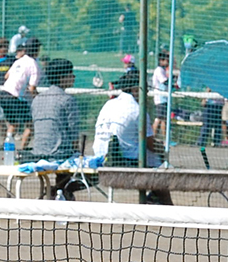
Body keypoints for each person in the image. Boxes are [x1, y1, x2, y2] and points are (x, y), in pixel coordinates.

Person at [92, 69, 172, 205]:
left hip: (99, 156)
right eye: (145, 89)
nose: (147, 93)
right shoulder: (137, 110)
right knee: (160, 166)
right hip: (121, 160)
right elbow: (150, 144)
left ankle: (155, 198)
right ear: (135, 89)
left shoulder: (109, 104)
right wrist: (163, 149)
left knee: (153, 159)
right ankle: (167, 205)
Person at [27, 58, 84, 199]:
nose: (74, 77)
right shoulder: (67, 100)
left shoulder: (37, 99)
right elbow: (73, 134)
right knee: (93, 172)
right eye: (71, 74)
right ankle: (59, 190)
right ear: (62, 77)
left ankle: (57, 190)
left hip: (38, 152)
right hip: (60, 154)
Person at [1, 38, 42, 151]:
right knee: (30, 125)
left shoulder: (18, 61)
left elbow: (6, 76)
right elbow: (32, 88)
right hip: (15, 97)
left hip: (4, 94)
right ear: (37, 51)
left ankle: (7, 150)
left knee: (13, 124)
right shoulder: (34, 65)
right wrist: (39, 99)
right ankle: (22, 151)